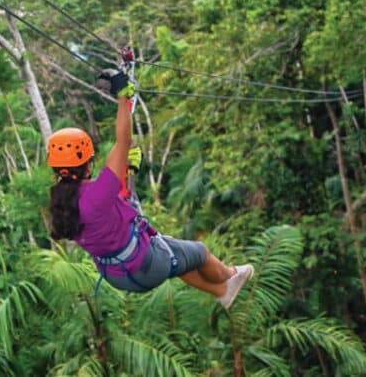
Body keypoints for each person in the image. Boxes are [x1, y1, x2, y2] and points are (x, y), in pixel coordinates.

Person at [47, 70, 254, 309]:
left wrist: (128, 169)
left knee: (174, 254)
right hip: (146, 265)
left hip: (117, 274)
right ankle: (231, 275)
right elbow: (122, 141)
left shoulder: (60, 202)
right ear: (87, 163)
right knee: (199, 252)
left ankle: (220, 291)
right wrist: (123, 97)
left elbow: (116, 204)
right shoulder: (98, 193)